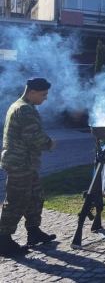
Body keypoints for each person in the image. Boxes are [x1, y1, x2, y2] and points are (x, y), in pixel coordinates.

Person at [0, 78, 57, 257]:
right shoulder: (24, 109)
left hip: (26, 164)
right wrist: (49, 144)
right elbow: (33, 137)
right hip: (19, 164)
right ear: (32, 92)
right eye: (43, 94)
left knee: (35, 196)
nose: (45, 98)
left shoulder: (21, 105)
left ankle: (33, 231)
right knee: (16, 201)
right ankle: (3, 240)